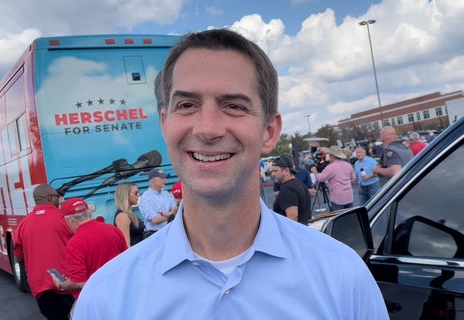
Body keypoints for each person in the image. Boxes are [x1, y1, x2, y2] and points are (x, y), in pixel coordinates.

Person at [74, 28, 387, 319]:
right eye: (186, 104)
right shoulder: (106, 300)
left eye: (234, 106)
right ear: (164, 123)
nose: (208, 129)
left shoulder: (343, 278)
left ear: (269, 131)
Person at [13, 184, 74, 320]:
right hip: (68, 281)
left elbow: (18, 257)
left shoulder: (23, 224)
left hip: (40, 285)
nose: (60, 199)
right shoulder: (65, 218)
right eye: (58, 196)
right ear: (50, 197)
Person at [50, 198, 127, 299]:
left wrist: (61, 285)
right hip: (120, 291)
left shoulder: (74, 243)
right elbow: (126, 259)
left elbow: (79, 282)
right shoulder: (112, 229)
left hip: (97, 298)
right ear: (89, 213)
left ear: (69, 219)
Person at [310, 145, 357, 211]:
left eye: (330, 155)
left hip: (337, 197)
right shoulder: (348, 165)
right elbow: (353, 178)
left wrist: (315, 172)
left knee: (338, 217)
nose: (329, 156)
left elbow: (321, 178)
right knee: (349, 215)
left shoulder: (331, 167)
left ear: (333, 156)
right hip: (348, 195)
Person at [270, 154, 312, 224]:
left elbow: (292, 217)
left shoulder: (288, 189)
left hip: (295, 232)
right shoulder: (299, 184)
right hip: (303, 228)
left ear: (286, 170)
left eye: (275, 171)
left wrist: (289, 234)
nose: (273, 174)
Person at [138, 168, 178, 238]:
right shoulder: (145, 198)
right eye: (162, 178)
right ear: (152, 179)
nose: (165, 180)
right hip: (153, 234)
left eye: (165, 178)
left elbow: (176, 212)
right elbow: (155, 220)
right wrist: (171, 216)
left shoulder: (167, 194)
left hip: (169, 231)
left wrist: (162, 214)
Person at [113, 183, 146, 247]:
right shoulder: (123, 216)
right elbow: (126, 243)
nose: (139, 195)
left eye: (138, 192)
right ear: (126, 195)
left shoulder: (129, 213)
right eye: (136, 193)